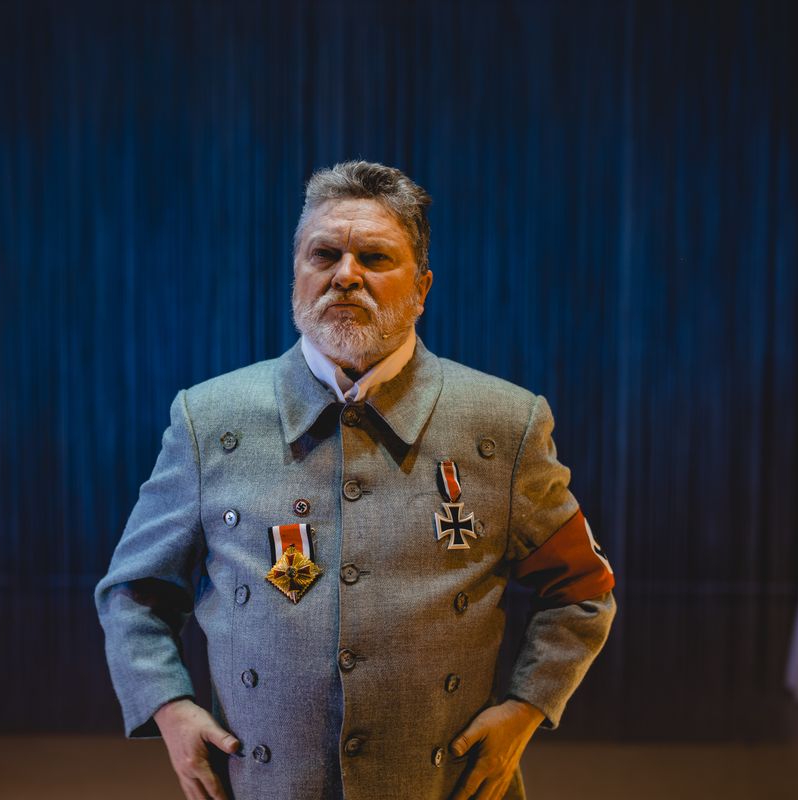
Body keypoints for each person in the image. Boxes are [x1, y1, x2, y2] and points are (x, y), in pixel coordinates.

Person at [94, 160, 616, 800]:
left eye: (374, 257)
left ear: (421, 288)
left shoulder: (504, 424)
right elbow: (134, 594)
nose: (346, 275)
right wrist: (170, 708)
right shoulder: (209, 420)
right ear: (296, 273)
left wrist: (527, 708)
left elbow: (582, 589)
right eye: (324, 255)